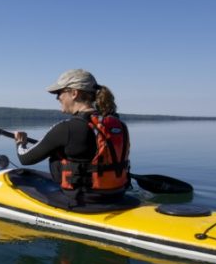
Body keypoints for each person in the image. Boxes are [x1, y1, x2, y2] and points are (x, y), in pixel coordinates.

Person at [14, 69, 131, 206]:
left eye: (59, 93)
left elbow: (25, 159)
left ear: (74, 93)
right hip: (117, 194)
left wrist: (20, 143)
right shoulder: (119, 125)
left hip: (82, 201)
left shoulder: (66, 128)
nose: (57, 98)